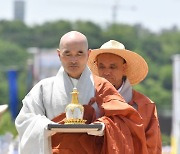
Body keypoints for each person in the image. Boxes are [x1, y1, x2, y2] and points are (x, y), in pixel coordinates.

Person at [15, 31, 148, 154]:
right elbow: (25, 120)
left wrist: (103, 126)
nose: (74, 60)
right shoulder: (43, 88)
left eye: (79, 53)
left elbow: (123, 120)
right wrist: (46, 126)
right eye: (68, 54)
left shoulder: (102, 86)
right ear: (59, 54)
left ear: (88, 54)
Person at [88, 40, 162, 154]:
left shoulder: (145, 105)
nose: (106, 72)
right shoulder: (88, 101)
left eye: (112, 67)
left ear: (124, 68)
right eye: (102, 67)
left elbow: (152, 148)